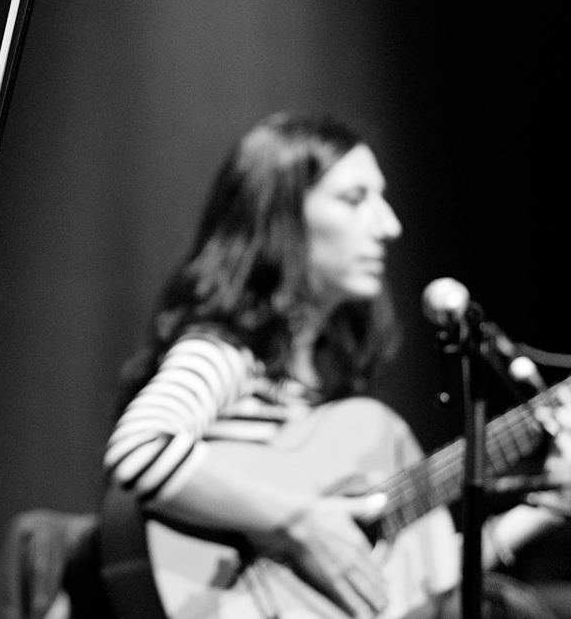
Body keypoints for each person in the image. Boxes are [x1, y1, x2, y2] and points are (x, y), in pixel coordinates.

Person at [104, 113, 569, 619]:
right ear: (280, 217)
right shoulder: (227, 353)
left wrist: (545, 508)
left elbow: (420, 593)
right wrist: (300, 523)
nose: (389, 227)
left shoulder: (331, 398)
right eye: (354, 199)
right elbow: (139, 449)